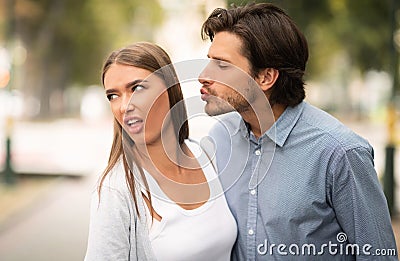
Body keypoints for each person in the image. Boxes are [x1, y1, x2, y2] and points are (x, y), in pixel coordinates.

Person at [198, 3, 397, 260]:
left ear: (266, 77)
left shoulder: (340, 153)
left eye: (222, 65)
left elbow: (378, 254)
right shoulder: (219, 139)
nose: (204, 75)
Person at [84, 42, 237, 261]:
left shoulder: (207, 155)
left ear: (170, 88)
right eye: (113, 95)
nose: (124, 106)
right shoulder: (115, 190)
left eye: (137, 88)